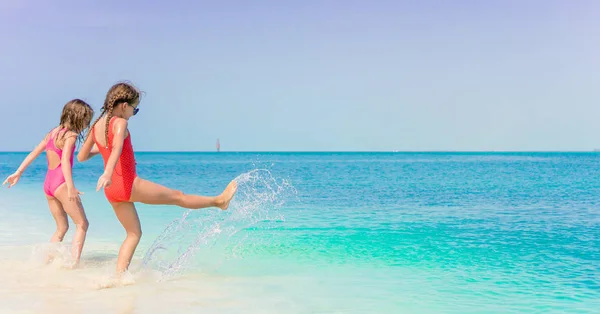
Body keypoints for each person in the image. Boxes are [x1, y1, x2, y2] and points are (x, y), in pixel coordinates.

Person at [77, 81, 238, 274]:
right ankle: (219, 201)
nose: (133, 114)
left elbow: (81, 156)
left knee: (133, 233)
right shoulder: (120, 122)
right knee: (178, 196)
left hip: (111, 191)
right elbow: (118, 148)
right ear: (124, 106)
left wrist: (104, 151)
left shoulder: (97, 125)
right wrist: (108, 171)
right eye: (134, 110)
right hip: (127, 184)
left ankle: (119, 276)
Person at [3, 99, 95, 268]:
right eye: (86, 121)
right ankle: (73, 265)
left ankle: (45, 263)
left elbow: (34, 152)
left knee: (62, 228)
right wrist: (71, 187)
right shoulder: (71, 136)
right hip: (61, 184)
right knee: (82, 224)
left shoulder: (52, 133)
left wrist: (18, 172)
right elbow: (66, 162)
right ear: (78, 119)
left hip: (48, 185)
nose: (86, 125)